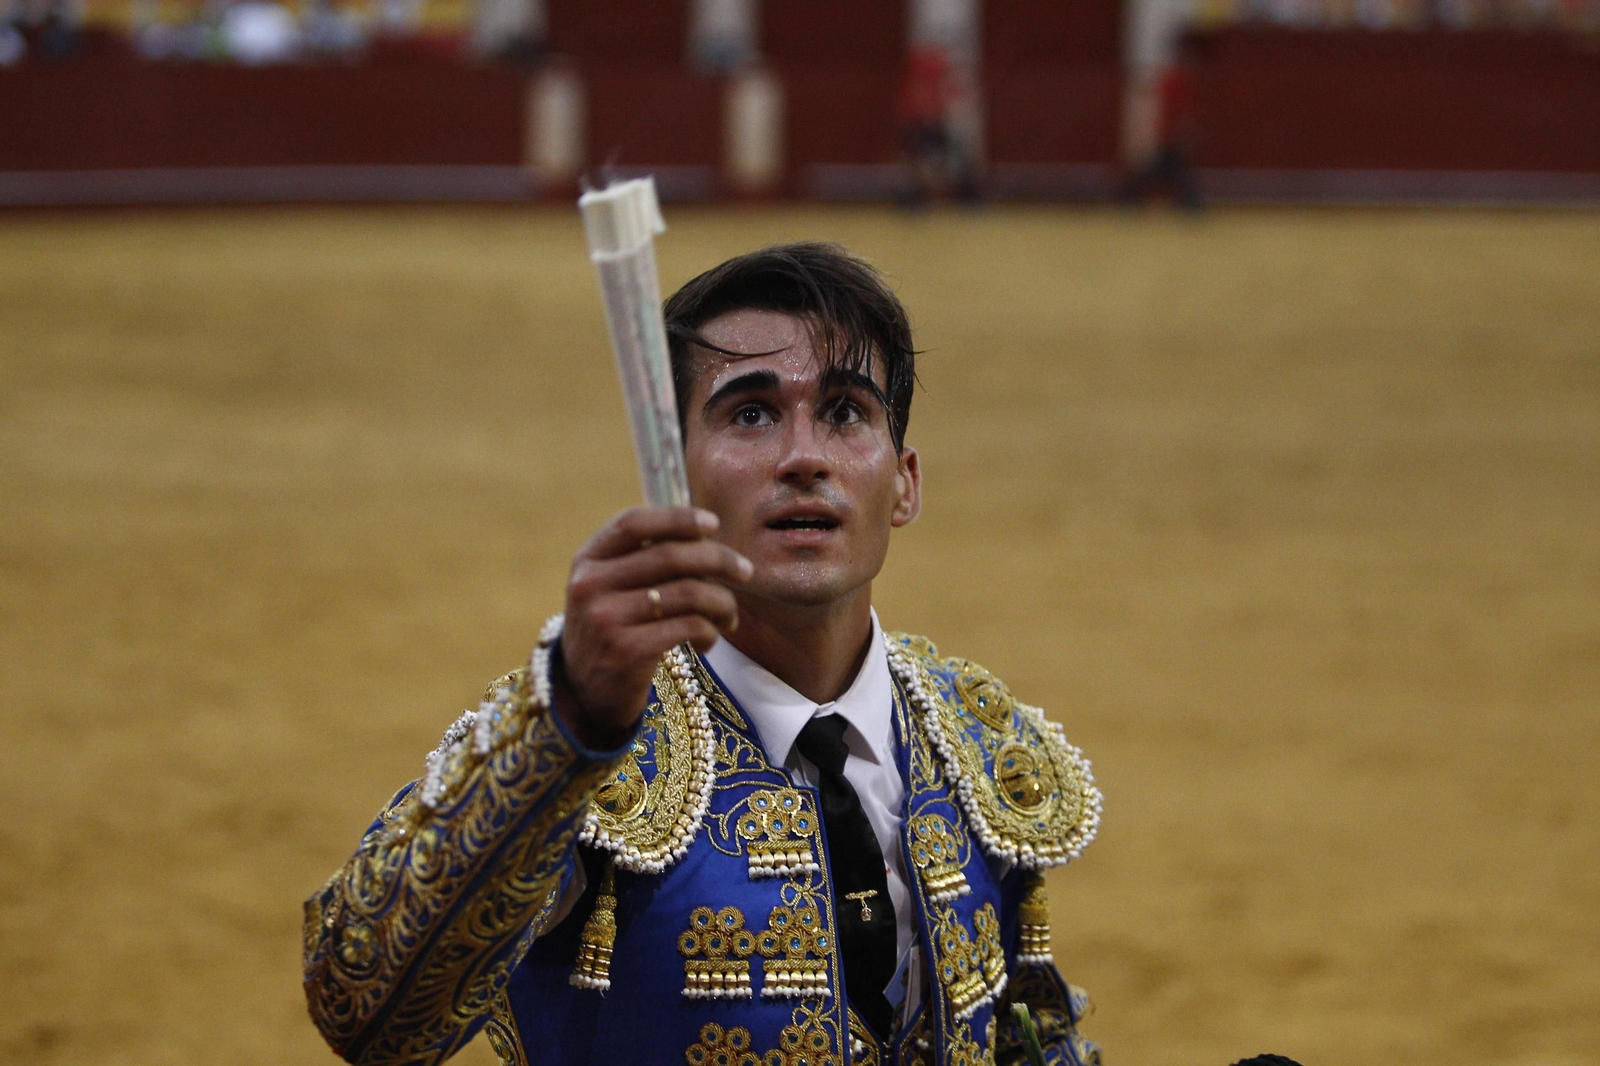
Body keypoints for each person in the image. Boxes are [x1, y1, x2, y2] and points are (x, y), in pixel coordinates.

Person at [302, 243, 1104, 1066]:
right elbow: (365, 1008)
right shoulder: (579, 739)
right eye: (751, 413)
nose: (804, 457)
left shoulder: (974, 740)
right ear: (675, 479)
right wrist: (563, 731)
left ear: (903, 483)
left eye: (846, 411)